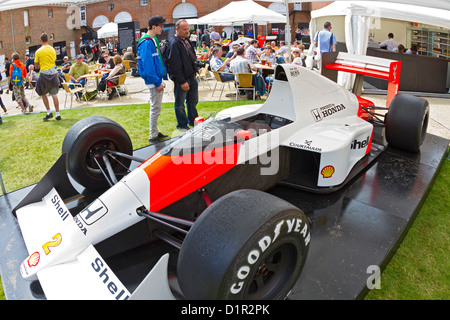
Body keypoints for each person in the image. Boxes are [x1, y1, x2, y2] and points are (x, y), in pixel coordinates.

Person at [137, 15, 169, 144]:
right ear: (154, 26)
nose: (163, 28)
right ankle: (152, 136)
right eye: (161, 26)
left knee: (156, 108)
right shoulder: (146, 42)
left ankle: (154, 132)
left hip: (155, 79)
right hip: (153, 80)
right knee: (155, 108)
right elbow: (148, 66)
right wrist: (157, 82)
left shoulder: (152, 40)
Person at [165, 19, 199, 131]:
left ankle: (193, 121)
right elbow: (174, 65)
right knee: (180, 104)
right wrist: (182, 81)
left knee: (193, 101)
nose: (186, 31)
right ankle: (182, 125)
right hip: (183, 79)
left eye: (187, 29)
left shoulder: (186, 40)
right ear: (177, 29)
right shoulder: (174, 43)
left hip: (191, 76)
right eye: (184, 29)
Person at [34, 33, 61, 121]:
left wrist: (40, 65)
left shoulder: (38, 51)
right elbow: (54, 60)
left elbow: (36, 66)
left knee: (43, 94)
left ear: (41, 41)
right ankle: (57, 114)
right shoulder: (52, 49)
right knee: (54, 94)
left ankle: (49, 112)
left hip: (44, 74)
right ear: (48, 40)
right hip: (53, 73)